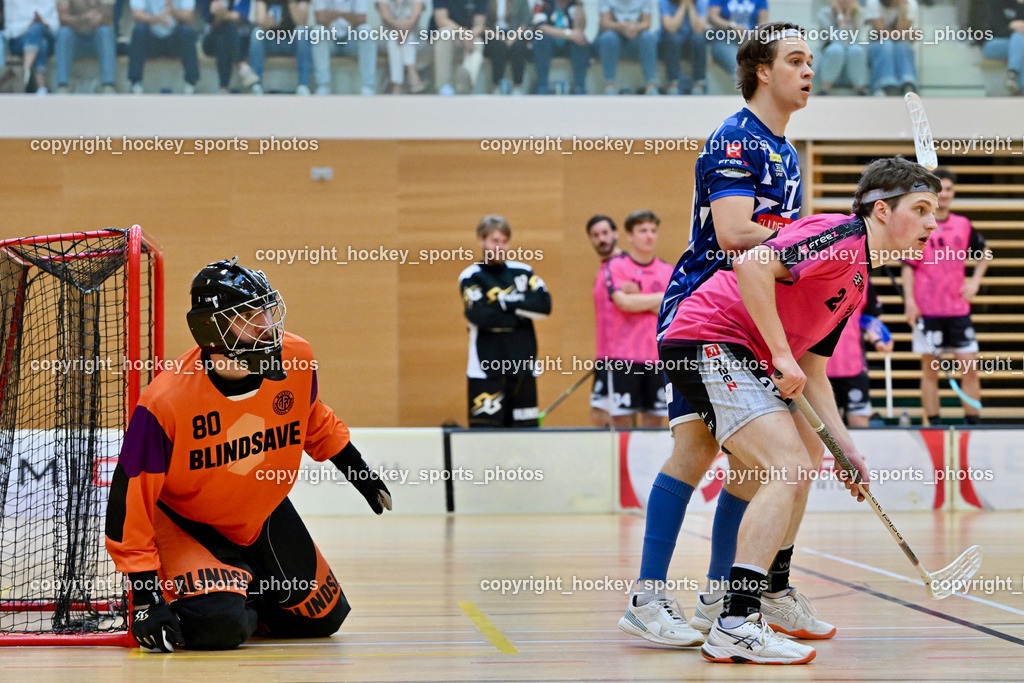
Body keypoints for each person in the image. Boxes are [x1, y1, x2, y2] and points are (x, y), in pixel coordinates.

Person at [660, 156, 939, 664]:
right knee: (787, 465)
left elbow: (814, 371)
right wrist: (780, 353)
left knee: (808, 455)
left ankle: (773, 591)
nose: (932, 224)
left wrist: (846, 447)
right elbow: (751, 263)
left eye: (934, 212)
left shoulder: (857, 283)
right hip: (708, 339)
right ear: (881, 211)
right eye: (920, 210)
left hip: (744, 354)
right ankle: (737, 622)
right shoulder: (839, 234)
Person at [618, 21, 825, 649]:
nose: (808, 71)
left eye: (811, 60)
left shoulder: (785, 151)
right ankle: (650, 599)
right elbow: (736, 234)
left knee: (740, 461)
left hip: (741, 322)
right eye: (795, 60)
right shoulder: (736, 140)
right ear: (762, 70)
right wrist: (818, 242)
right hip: (703, 319)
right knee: (700, 456)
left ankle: (716, 598)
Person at [105, 258, 392, 652]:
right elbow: (130, 499)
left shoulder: (297, 356)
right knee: (219, 627)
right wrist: (144, 598)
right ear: (212, 328)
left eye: (266, 311)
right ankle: (209, 588)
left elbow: (314, 418)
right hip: (187, 521)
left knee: (321, 620)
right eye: (248, 315)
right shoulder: (164, 402)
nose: (266, 325)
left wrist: (358, 470)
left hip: (260, 513)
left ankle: (240, 581)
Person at [901, 168, 992, 425]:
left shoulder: (963, 225)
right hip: (927, 311)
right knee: (930, 372)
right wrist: (909, 301)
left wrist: (974, 282)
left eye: (950, 189)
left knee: (969, 369)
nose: (945, 194)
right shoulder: (920, 225)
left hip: (958, 311)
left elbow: (984, 253)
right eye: (941, 189)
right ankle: (935, 425)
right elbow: (908, 265)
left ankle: (974, 424)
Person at [459, 215, 552, 428]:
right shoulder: (472, 276)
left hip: (523, 367)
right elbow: (479, 315)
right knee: (486, 436)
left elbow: (544, 305)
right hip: (485, 369)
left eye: (504, 241)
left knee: (525, 438)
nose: (500, 246)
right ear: (481, 241)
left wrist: (504, 304)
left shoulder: (523, 271)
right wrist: (521, 309)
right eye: (494, 241)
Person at [597, 211, 672, 428]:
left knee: (654, 423)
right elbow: (624, 303)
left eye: (652, 231)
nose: (649, 236)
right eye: (642, 231)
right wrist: (658, 299)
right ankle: (622, 464)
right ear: (629, 236)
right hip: (624, 358)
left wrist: (639, 298)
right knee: (621, 423)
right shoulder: (617, 266)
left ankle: (648, 464)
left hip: (656, 358)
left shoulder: (667, 270)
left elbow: (671, 310)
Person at [826, 282, 892, 427]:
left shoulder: (863, 278)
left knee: (859, 423)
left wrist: (879, 340)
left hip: (853, 365)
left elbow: (869, 317)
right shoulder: (810, 274)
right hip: (818, 369)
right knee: (825, 428)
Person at [586, 214, 622, 427]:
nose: (602, 239)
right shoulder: (603, 271)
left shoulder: (626, 267)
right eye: (596, 235)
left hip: (625, 359)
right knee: (600, 415)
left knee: (615, 417)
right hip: (605, 358)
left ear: (615, 234)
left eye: (605, 233)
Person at [128, 0, 200, 94]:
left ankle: (190, 84)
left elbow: (189, 17)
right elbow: (136, 15)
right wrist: (158, 19)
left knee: (187, 31)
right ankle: (135, 83)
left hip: (174, 40)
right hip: (151, 39)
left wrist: (173, 11)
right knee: (139, 30)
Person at [310, 0, 378, 95]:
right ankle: (323, 85)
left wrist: (336, 14)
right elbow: (320, 19)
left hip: (351, 40)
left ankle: (368, 86)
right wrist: (346, 15)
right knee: (318, 31)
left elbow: (361, 19)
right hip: (330, 41)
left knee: (366, 32)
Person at [248, 0, 313, 94]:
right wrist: (266, 22)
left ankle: (303, 85)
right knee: (257, 32)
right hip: (271, 42)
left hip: (292, 43)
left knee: (302, 32)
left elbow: (301, 21)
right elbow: (260, 20)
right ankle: (256, 85)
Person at [595, 0, 658, 95]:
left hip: (635, 36)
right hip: (614, 35)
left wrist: (635, 28)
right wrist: (623, 26)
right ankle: (609, 85)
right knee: (608, 37)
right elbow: (605, 23)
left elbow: (647, 24)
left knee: (648, 37)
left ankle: (650, 85)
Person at [54, 0, 117, 93]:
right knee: (63, 32)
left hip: (97, 39)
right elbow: (62, 18)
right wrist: (83, 18)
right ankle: (62, 85)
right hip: (75, 40)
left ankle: (108, 84)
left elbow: (109, 16)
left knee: (106, 31)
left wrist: (99, 18)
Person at [530, 0, 589, 95]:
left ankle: (579, 87)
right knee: (540, 40)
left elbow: (580, 28)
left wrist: (579, 5)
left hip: (568, 44)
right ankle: (542, 86)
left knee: (581, 41)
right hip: (549, 42)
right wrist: (568, 33)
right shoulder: (542, 2)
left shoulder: (574, 4)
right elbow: (540, 27)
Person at [199, 0, 257, 93]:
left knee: (223, 38)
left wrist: (221, 13)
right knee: (225, 29)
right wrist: (220, 15)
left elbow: (236, 17)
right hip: (210, 40)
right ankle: (241, 65)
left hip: (235, 40)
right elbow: (211, 22)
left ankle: (223, 88)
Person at [430, 0, 487, 94]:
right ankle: (443, 87)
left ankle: (466, 84)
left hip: (468, 35)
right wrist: (463, 33)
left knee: (478, 43)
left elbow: (479, 24)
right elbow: (441, 20)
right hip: (447, 33)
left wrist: (470, 35)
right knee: (445, 34)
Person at [863, 0, 918, 96]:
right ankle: (884, 84)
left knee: (901, 45)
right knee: (887, 44)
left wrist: (902, 13)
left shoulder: (910, 4)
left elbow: (900, 31)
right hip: (876, 44)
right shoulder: (873, 2)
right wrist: (907, 33)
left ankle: (907, 82)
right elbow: (881, 32)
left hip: (899, 43)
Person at [4, 0, 59, 94]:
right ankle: (41, 87)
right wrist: (28, 26)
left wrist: (42, 23)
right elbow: (10, 30)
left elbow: (55, 26)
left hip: (45, 33)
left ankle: (25, 72)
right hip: (19, 40)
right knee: (42, 42)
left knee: (37, 28)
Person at [706, 0, 768, 81]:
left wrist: (754, 33)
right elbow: (712, 17)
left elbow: (763, 22)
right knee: (740, 67)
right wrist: (732, 26)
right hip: (724, 39)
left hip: (751, 40)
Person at [816, 0, 867, 95]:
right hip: (830, 60)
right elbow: (836, 39)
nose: (844, 1)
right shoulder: (824, 14)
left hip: (852, 61)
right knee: (836, 49)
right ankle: (824, 89)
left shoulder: (861, 14)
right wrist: (840, 16)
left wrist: (847, 16)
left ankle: (860, 89)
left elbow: (856, 41)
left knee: (856, 50)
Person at [657, 0, 708, 95]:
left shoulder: (701, 2)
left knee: (699, 38)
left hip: (690, 44)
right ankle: (673, 83)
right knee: (673, 38)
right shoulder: (664, 2)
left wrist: (690, 6)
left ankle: (699, 83)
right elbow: (671, 28)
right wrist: (683, 6)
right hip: (669, 44)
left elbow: (699, 29)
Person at [377, 0, 425, 94]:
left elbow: (415, 18)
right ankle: (411, 71)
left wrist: (405, 31)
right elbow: (386, 18)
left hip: (413, 36)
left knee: (403, 39)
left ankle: (397, 84)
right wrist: (401, 29)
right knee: (393, 37)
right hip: (387, 36)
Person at [484, 0, 531, 94]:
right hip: (493, 34)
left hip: (515, 33)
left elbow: (525, 21)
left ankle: (517, 86)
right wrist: (499, 37)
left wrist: (512, 38)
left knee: (519, 47)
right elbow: (484, 25)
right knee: (498, 47)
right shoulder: (487, 2)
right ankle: (497, 86)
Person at [981, 0, 1024, 96]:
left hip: (1018, 46)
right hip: (995, 43)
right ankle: (1017, 80)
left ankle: (1013, 76)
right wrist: (1010, 26)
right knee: (1019, 39)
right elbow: (994, 30)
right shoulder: (997, 3)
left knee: (1019, 41)